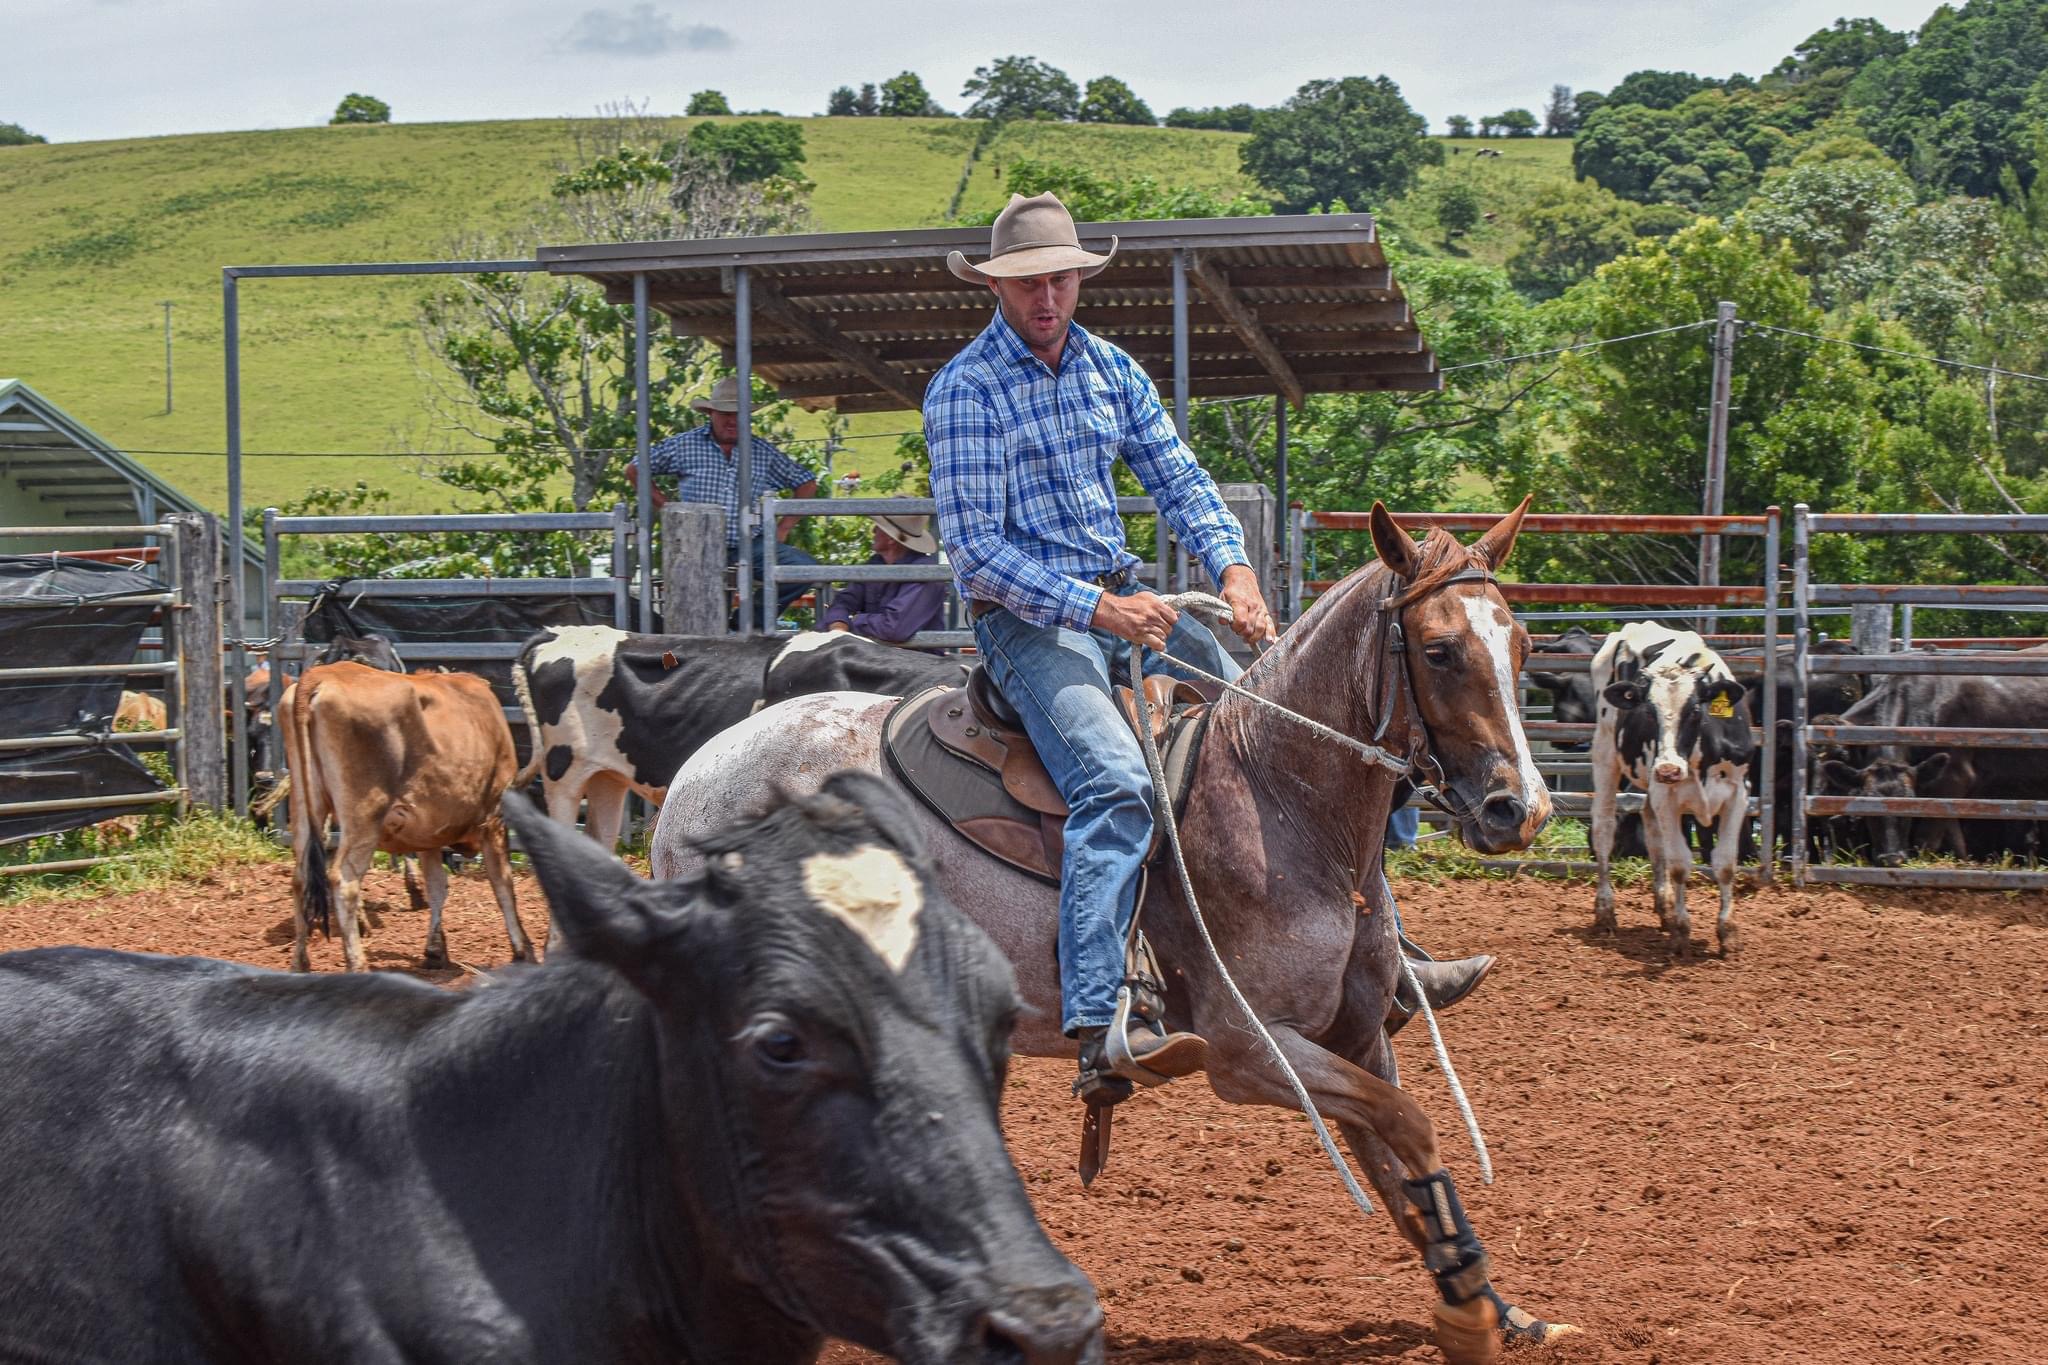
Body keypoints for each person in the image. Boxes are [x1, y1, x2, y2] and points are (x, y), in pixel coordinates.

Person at [924, 193, 1492, 1110]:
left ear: (1079, 279)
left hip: (1125, 604)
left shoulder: (1109, 369)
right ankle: (1102, 1014)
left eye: (1061, 278)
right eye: (1030, 283)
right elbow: (978, 552)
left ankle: (1382, 952)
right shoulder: (966, 389)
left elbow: (1180, 478)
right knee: (1116, 781)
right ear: (997, 288)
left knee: (1287, 743)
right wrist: (1099, 608)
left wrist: (1233, 567)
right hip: (1030, 622)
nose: (1048, 297)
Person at [627, 375, 820, 617]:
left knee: (804, 569)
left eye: (738, 414)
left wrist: (783, 527)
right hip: (697, 542)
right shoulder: (685, 444)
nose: (732, 420)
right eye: (725, 413)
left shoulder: (762, 451)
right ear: (711, 413)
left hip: (749, 544)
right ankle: (716, 630)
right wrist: (669, 509)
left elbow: (806, 483)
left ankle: (749, 622)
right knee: (703, 612)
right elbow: (635, 469)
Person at [818, 513, 947, 644]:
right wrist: (839, 624)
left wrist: (852, 620)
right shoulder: (876, 563)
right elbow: (844, 601)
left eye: (879, 527)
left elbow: (894, 629)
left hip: (916, 655)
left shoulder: (926, 573)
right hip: (875, 652)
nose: (873, 530)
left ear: (891, 538)